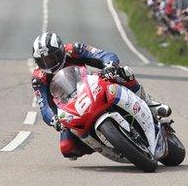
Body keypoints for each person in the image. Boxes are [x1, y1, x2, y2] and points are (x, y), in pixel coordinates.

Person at [31, 32, 171, 160]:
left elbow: (104, 55)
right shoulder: (38, 78)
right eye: (42, 61)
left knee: (124, 73)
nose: (47, 64)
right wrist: (54, 120)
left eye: (51, 58)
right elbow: (44, 108)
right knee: (67, 148)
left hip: (92, 85)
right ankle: (107, 144)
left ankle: (150, 104)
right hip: (69, 107)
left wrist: (109, 65)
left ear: (61, 51)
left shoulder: (74, 49)